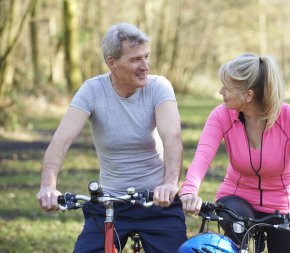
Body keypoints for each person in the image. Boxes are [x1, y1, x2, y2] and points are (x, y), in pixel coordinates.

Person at [37, 22, 187, 253]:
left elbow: (172, 136)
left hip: (157, 201)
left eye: (146, 56)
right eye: (136, 59)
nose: (145, 65)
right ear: (111, 62)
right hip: (110, 204)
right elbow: (61, 140)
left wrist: (169, 184)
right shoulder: (92, 90)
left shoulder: (159, 87)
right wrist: (48, 185)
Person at [180, 53, 290, 253]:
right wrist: (190, 190)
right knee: (235, 223)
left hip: (284, 203)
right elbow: (202, 157)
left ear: (248, 95)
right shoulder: (221, 115)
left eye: (227, 87)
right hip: (236, 198)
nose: (220, 91)